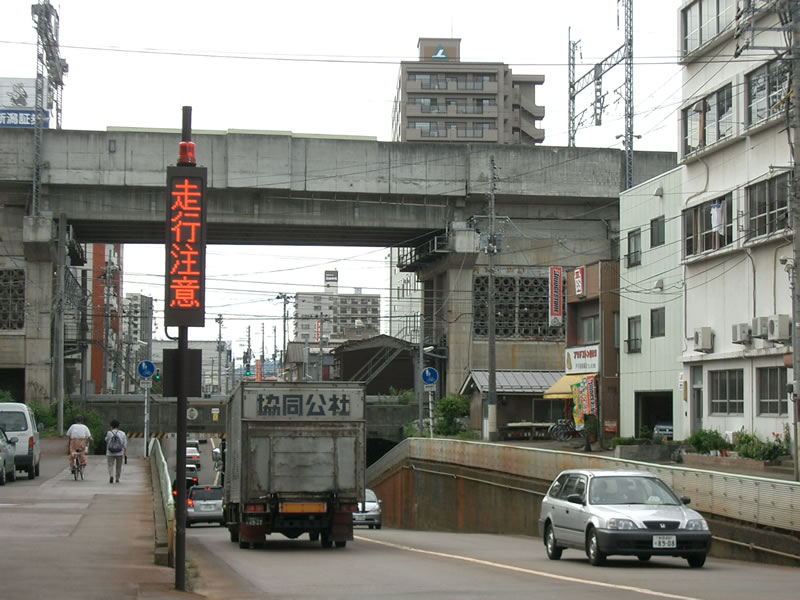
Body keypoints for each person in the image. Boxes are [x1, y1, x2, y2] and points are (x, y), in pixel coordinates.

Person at [104, 419, 128, 484]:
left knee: (110, 465)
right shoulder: (122, 433)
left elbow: (106, 440)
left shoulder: (109, 433)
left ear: (111, 426)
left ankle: (111, 475)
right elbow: (124, 444)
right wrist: (125, 454)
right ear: (118, 426)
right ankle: (117, 478)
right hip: (120, 452)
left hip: (110, 452)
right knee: (118, 466)